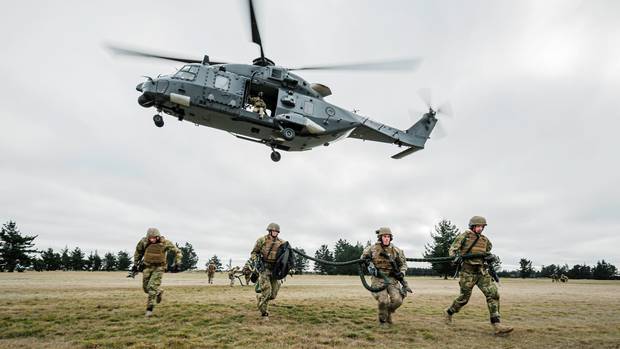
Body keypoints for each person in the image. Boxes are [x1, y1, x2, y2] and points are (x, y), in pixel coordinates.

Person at [443, 216, 513, 335]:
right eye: (478, 226)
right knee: (464, 299)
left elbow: (487, 252)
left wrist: (490, 257)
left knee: (493, 294)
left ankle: (497, 325)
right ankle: (449, 312)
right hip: (467, 272)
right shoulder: (465, 236)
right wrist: (455, 257)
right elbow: (453, 249)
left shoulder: (485, 240)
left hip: (481, 272)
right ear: (472, 226)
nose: (480, 228)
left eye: (482, 226)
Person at [360, 227, 410, 326]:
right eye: (384, 236)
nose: (386, 238)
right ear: (380, 237)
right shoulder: (372, 249)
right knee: (383, 301)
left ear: (390, 238)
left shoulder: (396, 250)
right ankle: (382, 321)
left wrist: (402, 272)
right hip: (378, 278)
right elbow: (362, 259)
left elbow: (403, 264)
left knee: (397, 301)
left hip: (392, 279)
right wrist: (367, 262)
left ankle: (387, 313)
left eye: (388, 237)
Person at [132, 227, 182, 317]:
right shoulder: (144, 242)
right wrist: (135, 265)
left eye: (154, 238)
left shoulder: (165, 243)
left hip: (159, 267)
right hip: (147, 266)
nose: (152, 239)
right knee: (146, 288)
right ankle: (159, 292)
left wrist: (177, 264)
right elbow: (138, 252)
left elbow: (177, 252)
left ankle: (149, 310)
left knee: (151, 287)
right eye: (150, 238)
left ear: (158, 236)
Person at [250, 222, 286, 319]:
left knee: (273, 294)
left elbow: (286, 256)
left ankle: (260, 298)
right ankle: (264, 313)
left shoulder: (282, 243)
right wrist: (256, 260)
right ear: (269, 231)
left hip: (275, 270)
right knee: (267, 291)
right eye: (272, 230)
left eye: (276, 231)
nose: (274, 232)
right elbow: (253, 253)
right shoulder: (261, 240)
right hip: (264, 268)